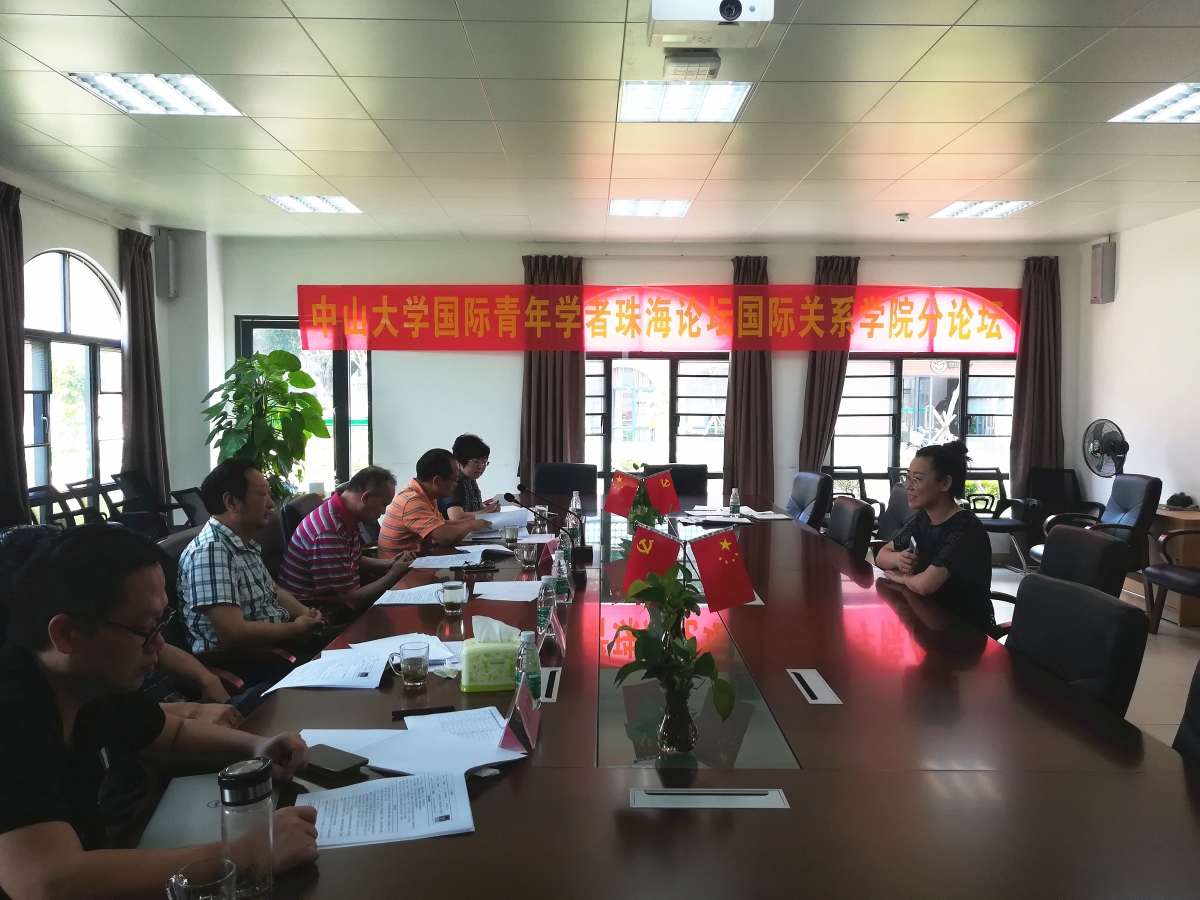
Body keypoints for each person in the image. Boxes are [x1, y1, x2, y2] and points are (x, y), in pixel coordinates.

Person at [0, 525, 318, 899]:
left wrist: (255, 747)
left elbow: (171, 735)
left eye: (160, 623)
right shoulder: (12, 712)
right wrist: (248, 853)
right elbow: (48, 882)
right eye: (145, 628)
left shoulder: (93, 681)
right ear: (66, 634)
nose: (159, 644)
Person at [1, 525, 242, 728]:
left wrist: (206, 681)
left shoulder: (96, 679)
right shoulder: (26, 719)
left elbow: (162, 730)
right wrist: (191, 712)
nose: (158, 643)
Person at [179, 459, 327, 654]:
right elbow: (232, 633)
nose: (271, 503)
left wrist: (305, 613)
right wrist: (296, 629)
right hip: (254, 658)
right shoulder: (212, 551)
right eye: (262, 494)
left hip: (281, 643)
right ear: (231, 502)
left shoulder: (241, 541)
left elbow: (272, 589)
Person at [875, 441, 994, 632]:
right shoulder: (923, 518)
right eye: (908, 477)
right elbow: (882, 555)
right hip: (928, 616)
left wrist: (903, 578)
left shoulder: (965, 526)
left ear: (945, 483)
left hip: (963, 630)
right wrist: (898, 559)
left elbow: (924, 585)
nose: (908, 486)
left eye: (917, 479)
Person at [280, 466, 415, 619]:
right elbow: (348, 598)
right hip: (320, 612)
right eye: (384, 505)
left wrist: (390, 564)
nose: (383, 511)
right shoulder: (329, 531)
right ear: (366, 497)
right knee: (402, 613)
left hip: (340, 599)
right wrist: (393, 574)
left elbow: (353, 558)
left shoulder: (342, 512)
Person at [379, 448, 494, 556]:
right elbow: (444, 536)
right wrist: (472, 525)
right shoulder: (412, 501)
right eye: (454, 479)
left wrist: (477, 520)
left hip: (417, 561)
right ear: (437, 481)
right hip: (401, 567)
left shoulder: (425, 495)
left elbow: (442, 524)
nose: (455, 484)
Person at [445, 434, 501, 521]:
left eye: (484, 462)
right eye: (476, 462)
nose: (481, 466)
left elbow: (475, 506)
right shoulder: (454, 482)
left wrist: (487, 507)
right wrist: (485, 512)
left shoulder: (470, 480)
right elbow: (456, 517)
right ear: (460, 461)